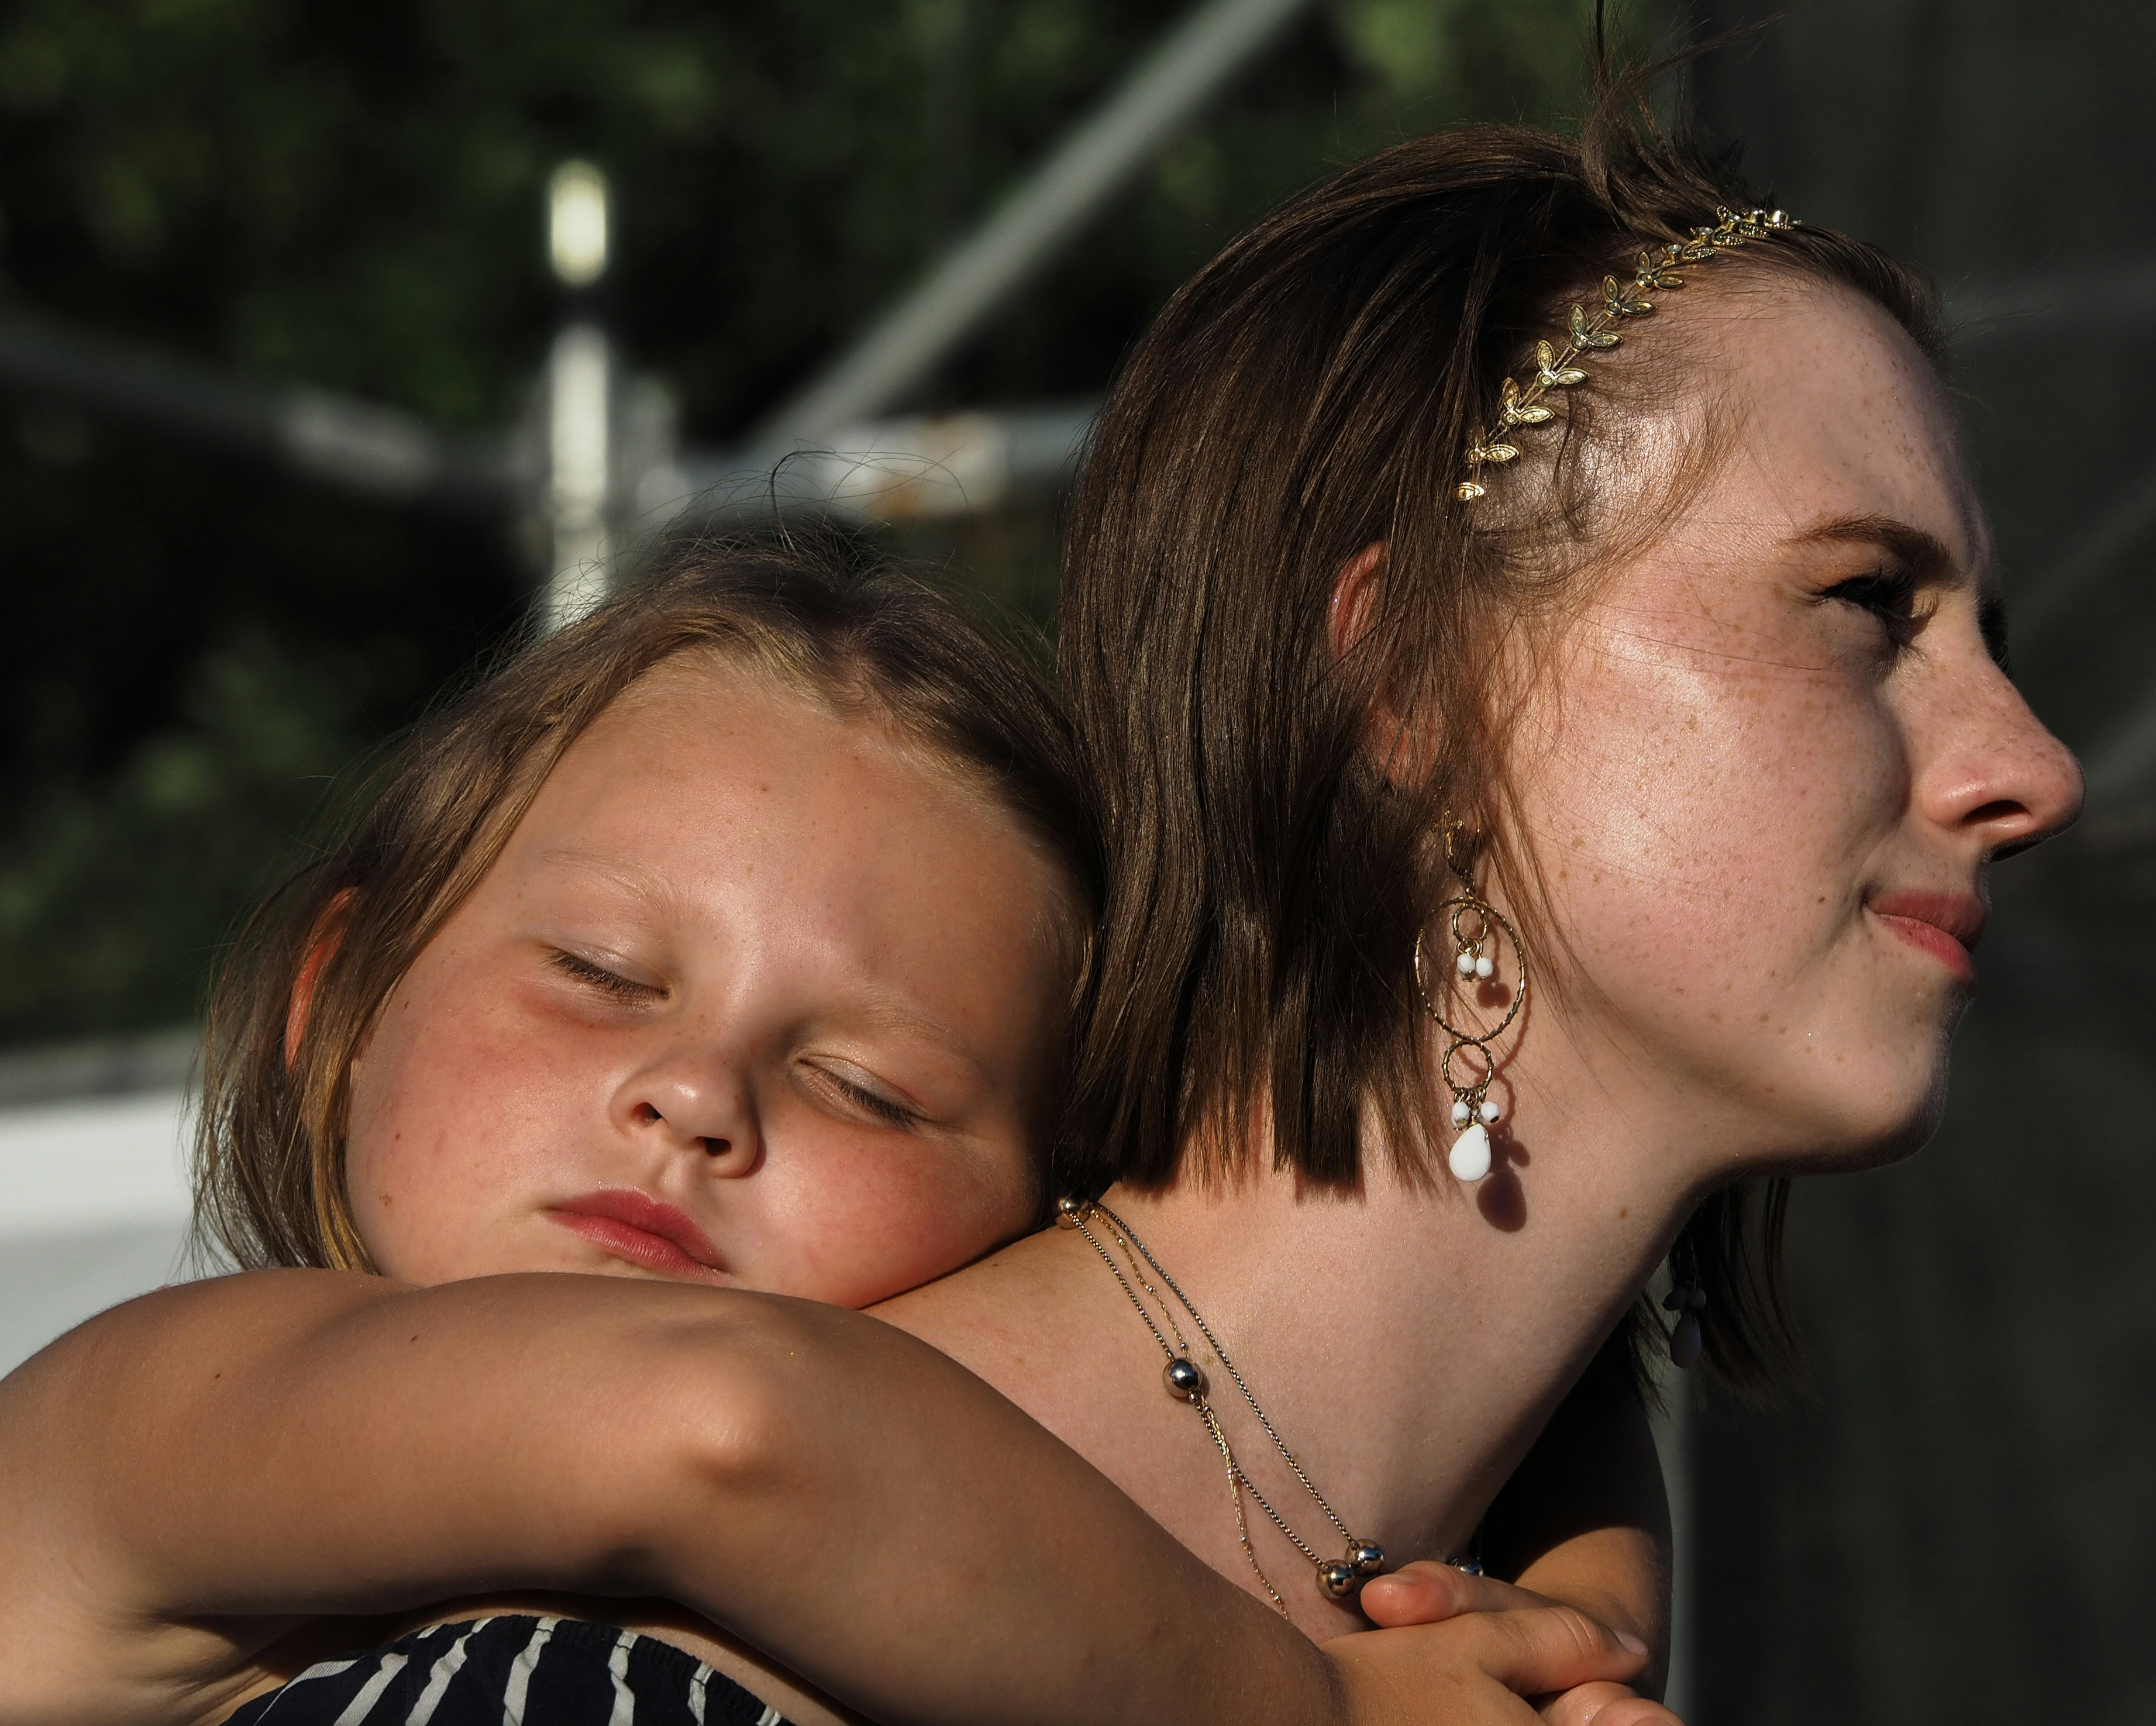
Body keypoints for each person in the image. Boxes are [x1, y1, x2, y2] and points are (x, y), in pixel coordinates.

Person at [5, 58, 2083, 1726]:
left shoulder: (1459, 1576)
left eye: (881, 1086)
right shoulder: (245, 1423)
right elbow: (722, 1425)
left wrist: (1589, 1599)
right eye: (1860, 604)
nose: (2037, 768)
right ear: (1417, 679)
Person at [0, 539, 1667, 1726]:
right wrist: (1312, 1705)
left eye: (872, 1087)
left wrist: (1573, 1631)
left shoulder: (1030, 1614)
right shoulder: (156, 1408)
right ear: (331, 1015)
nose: (699, 1100)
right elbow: (720, 1428)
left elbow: (1519, 1380)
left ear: (1050, 1215)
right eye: (598, 976)